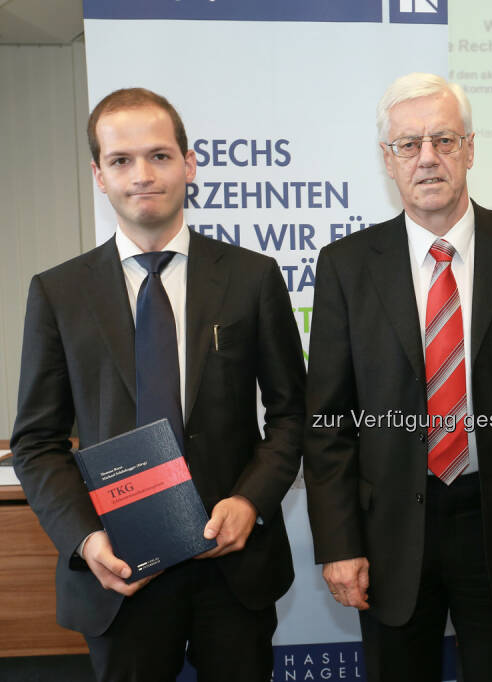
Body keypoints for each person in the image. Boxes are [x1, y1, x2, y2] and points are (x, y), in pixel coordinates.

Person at [11, 88, 306, 681]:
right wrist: (86, 540)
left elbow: (294, 415)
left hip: (232, 573)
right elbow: (37, 443)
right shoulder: (59, 293)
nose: (142, 175)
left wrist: (249, 500)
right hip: (120, 574)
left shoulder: (252, 278)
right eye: (121, 160)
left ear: (190, 163)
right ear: (99, 174)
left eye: (160, 156)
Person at [303, 72, 492, 682]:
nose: (427, 158)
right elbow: (327, 422)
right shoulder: (346, 266)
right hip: (388, 535)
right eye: (409, 144)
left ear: (471, 148)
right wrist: (338, 542)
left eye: (443, 140)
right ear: (388, 159)